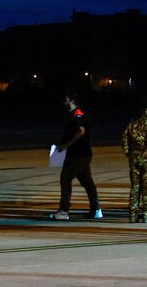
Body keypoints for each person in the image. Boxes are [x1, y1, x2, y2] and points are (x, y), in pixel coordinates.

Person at [50, 92, 102, 220]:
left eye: (66, 100)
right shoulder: (72, 115)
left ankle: (64, 211)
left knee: (65, 178)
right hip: (82, 155)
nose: (64, 102)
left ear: (72, 101)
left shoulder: (77, 115)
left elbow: (81, 131)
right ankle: (96, 209)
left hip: (77, 155)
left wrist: (66, 145)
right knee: (87, 182)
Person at [122, 99, 147, 223]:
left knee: (135, 187)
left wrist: (129, 153)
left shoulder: (132, 122)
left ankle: (133, 214)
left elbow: (124, 139)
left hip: (134, 159)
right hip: (146, 159)